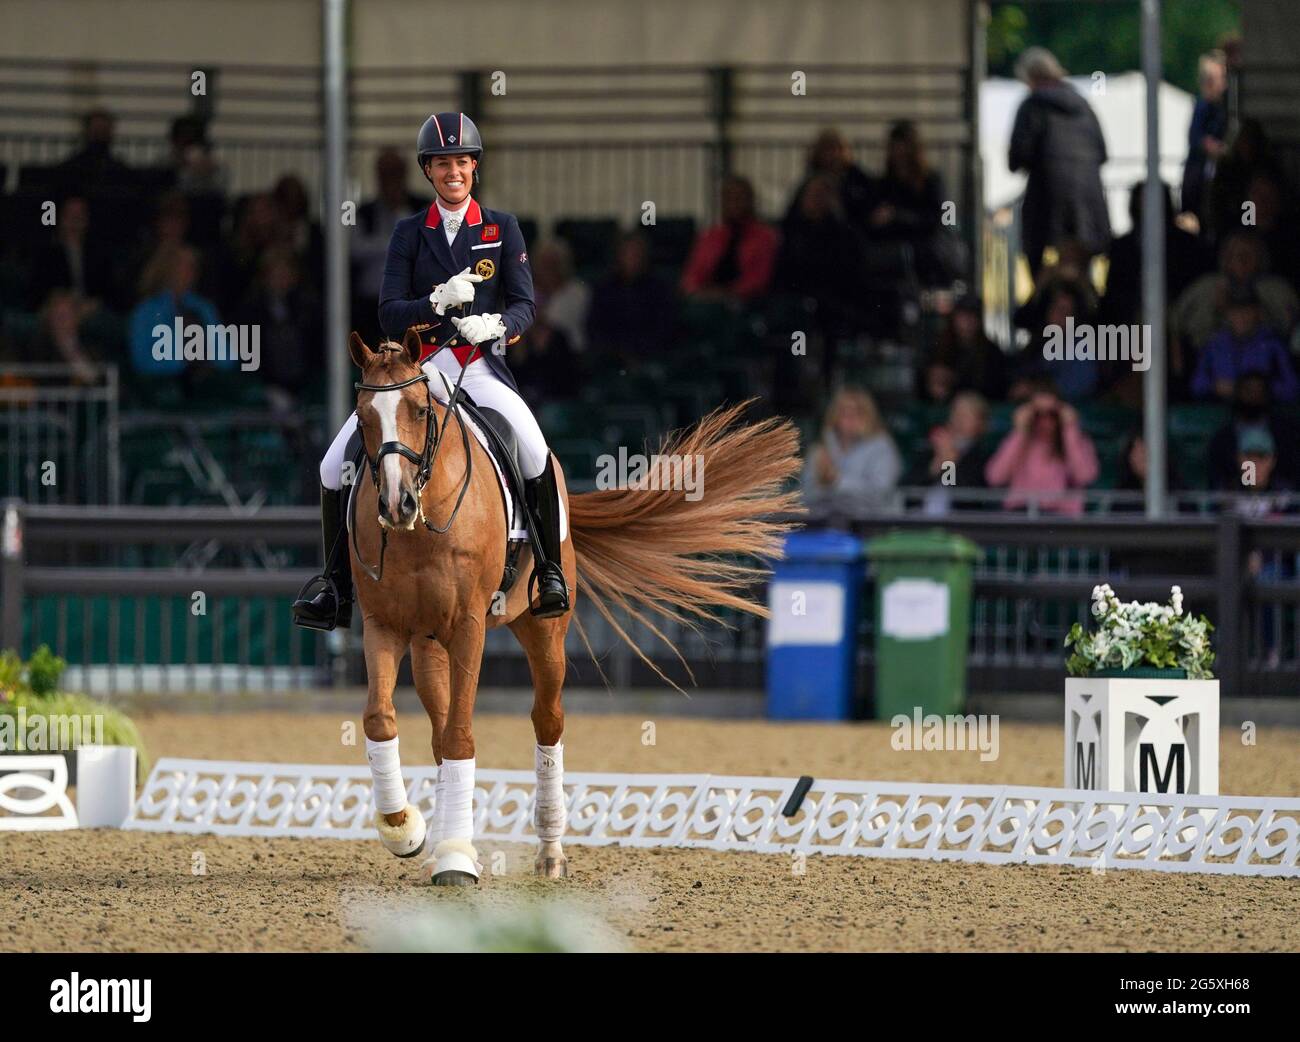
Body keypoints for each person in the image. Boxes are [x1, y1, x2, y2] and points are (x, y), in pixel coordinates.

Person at [293, 111, 567, 630]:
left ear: (474, 167)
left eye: (461, 161)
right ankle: (335, 586)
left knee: (534, 452)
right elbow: (388, 312)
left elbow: (526, 306)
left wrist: (495, 325)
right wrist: (435, 303)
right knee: (333, 465)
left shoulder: (502, 228)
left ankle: (549, 572)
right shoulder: (408, 234)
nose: (453, 172)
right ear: (428, 171)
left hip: (479, 367)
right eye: (442, 163)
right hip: (417, 369)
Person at [1008, 47, 1110, 277]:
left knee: (1036, 260)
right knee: (1083, 269)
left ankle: (1048, 305)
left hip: (1046, 204)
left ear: (1030, 77)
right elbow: (1103, 153)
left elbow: (1017, 158)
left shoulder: (1032, 106)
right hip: (1088, 205)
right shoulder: (1083, 105)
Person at [870, 120, 964, 285]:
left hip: (924, 250)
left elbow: (942, 218)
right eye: (895, 147)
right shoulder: (885, 184)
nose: (899, 153)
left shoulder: (931, 181)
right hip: (897, 251)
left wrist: (897, 216)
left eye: (903, 147)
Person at [984, 381, 1099, 514]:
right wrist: (1020, 432)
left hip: (1062, 517)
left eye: (1051, 414)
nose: (1045, 420)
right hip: (1021, 513)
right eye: (1038, 414)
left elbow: (1085, 477)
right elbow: (995, 477)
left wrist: (1069, 429)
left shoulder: (1078, 441)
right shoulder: (1017, 441)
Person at [351, 148, 428, 345]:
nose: (391, 180)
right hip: (370, 303)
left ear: (404, 175)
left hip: (413, 300)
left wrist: (380, 245)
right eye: (386, 174)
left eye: (395, 173)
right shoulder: (361, 211)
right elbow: (354, 249)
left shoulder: (423, 207)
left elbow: (426, 246)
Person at [1191, 280, 1298, 403]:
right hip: (1221, 413)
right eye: (1235, 311)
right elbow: (1196, 385)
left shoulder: (1273, 344)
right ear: (1227, 314)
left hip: (1261, 412)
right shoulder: (1214, 344)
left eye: (1247, 311)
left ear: (1258, 313)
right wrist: (1214, 386)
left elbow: (1292, 387)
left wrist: (1260, 390)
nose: (1241, 317)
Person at [801, 387, 901, 515]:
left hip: (870, 524)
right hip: (823, 523)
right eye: (844, 412)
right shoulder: (821, 447)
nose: (850, 419)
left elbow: (880, 494)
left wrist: (837, 481)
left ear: (869, 415)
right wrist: (822, 482)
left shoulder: (882, 446)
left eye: (857, 413)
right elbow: (804, 495)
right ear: (834, 416)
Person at [681, 175, 779, 302]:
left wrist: (727, 294)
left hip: (746, 302)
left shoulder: (765, 238)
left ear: (750, 201)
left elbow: (759, 280)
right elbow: (692, 274)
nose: (734, 204)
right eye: (728, 198)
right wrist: (697, 292)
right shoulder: (710, 237)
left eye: (739, 198)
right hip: (706, 300)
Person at [904, 391, 991, 514]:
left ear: (982, 423)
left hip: (957, 525)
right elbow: (906, 492)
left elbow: (966, 499)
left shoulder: (982, 456)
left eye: (967, 415)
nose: (959, 419)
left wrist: (949, 463)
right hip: (919, 522)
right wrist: (934, 467)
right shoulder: (931, 450)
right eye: (956, 413)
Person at [1180, 52, 1229, 227]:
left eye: (1214, 79)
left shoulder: (1227, 109)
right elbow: (1195, 138)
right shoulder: (1202, 107)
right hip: (1199, 185)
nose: (1210, 84)